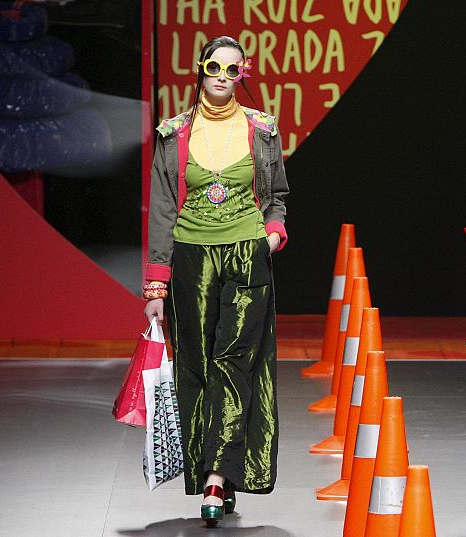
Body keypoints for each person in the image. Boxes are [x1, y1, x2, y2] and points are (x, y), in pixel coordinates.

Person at [142, 35, 289, 526]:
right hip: (190, 258)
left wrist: (272, 233)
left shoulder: (263, 129)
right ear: (200, 70)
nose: (223, 77)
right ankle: (213, 469)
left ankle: (216, 477)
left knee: (235, 360)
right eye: (214, 67)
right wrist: (157, 285)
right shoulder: (173, 134)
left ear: (243, 74)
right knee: (198, 365)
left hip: (247, 255)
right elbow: (163, 209)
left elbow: (277, 196)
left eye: (233, 69)